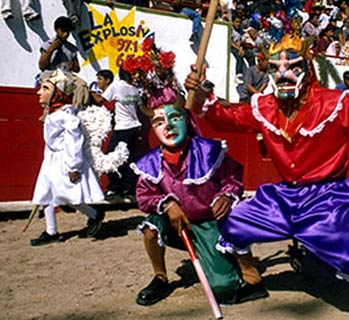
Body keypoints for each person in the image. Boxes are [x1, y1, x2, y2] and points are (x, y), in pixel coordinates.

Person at [186, 32, 349, 320]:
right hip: (285, 197)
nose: (284, 74)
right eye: (276, 68)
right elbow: (224, 119)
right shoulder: (264, 106)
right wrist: (202, 92)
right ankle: (253, 281)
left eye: (292, 67)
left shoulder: (335, 104)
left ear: (309, 67)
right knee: (234, 222)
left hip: (326, 198)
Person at [132, 89, 268, 306]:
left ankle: (237, 267)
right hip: (177, 225)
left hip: (209, 224)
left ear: (186, 119)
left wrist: (227, 194)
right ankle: (160, 277)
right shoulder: (150, 162)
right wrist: (168, 204)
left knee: (224, 290)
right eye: (159, 122)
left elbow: (232, 177)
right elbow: (145, 196)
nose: (168, 126)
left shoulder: (208, 151)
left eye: (174, 118)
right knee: (150, 228)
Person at [30, 69, 105, 246]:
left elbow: (73, 141)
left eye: (46, 88)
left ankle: (94, 214)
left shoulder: (67, 115)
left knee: (67, 195)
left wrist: (74, 166)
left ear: (58, 93)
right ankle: (51, 231)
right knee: (46, 194)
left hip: (65, 161)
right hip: (51, 161)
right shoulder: (53, 114)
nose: (39, 92)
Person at [99, 68, 142, 200]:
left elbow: (101, 100)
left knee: (113, 156)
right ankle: (129, 188)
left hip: (122, 127)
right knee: (129, 157)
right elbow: (141, 108)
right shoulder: (134, 89)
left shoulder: (116, 86)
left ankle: (115, 187)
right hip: (134, 127)